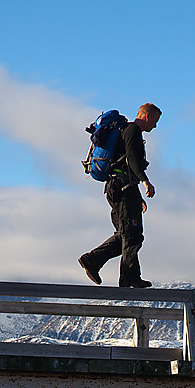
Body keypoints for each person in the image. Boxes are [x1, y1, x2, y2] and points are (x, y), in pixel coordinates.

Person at [78, 103, 161, 288]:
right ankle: (129, 278)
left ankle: (92, 261)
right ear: (147, 117)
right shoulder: (132, 130)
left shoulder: (126, 131)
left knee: (124, 235)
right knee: (132, 235)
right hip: (122, 189)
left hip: (119, 188)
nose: (155, 126)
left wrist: (137, 196)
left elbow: (124, 165)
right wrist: (145, 180)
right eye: (155, 121)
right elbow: (131, 159)